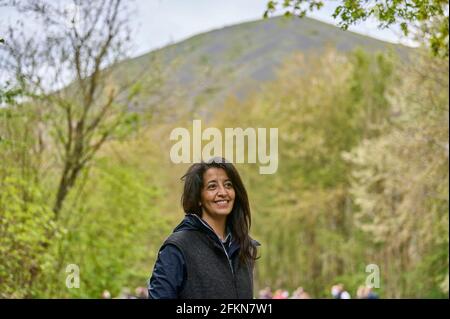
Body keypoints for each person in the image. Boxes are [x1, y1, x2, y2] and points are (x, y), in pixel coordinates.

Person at [148, 157, 260, 299]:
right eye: (212, 186)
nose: (223, 192)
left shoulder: (244, 248)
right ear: (198, 197)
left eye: (228, 185)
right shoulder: (177, 247)